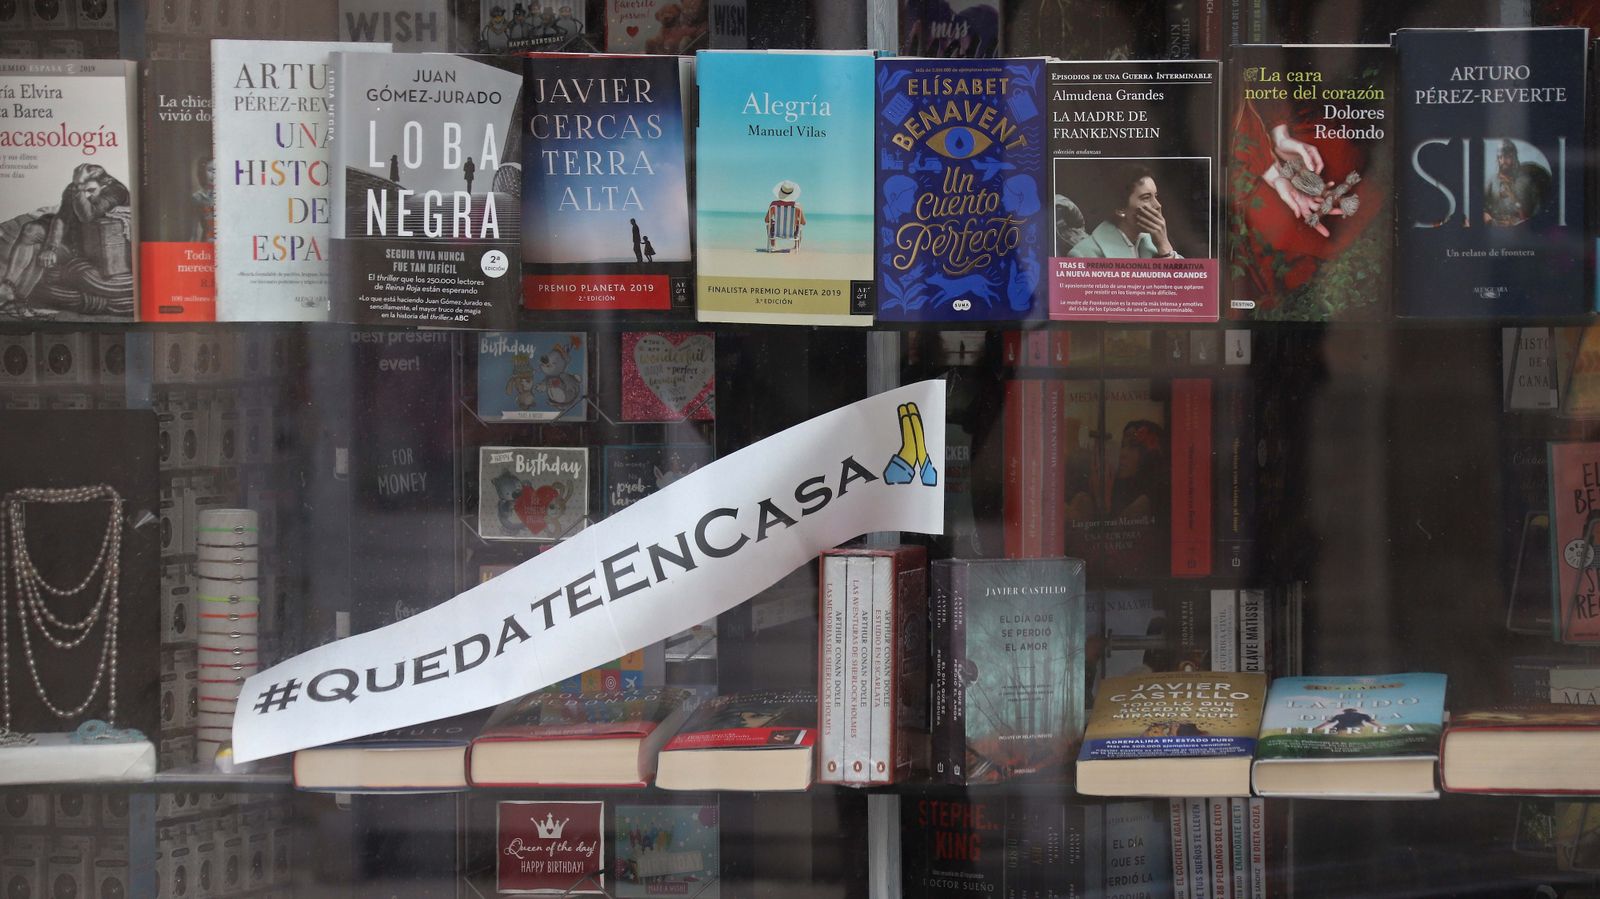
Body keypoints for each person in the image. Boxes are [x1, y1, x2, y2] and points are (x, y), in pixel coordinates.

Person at [0, 163, 131, 319]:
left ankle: (18, 302)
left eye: (90, 191)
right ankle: (7, 286)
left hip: (100, 258)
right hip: (74, 242)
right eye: (82, 189)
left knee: (42, 255)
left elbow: (87, 215)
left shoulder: (116, 191)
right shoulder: (75, 188)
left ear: (105, 183)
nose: (86, 195)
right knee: (31, 230)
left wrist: (79, 188)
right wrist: (51, 248)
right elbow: (61, 218)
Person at [1067, 164, 1179, 259]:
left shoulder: (1156, 243)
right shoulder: (1083, 255)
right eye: (1146, 198)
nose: (1158, 205)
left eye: (1155, 196)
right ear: (1121, 208)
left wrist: (1164, 247)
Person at [1484, 139, 1544, 227]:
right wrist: (1489, 219)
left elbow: (1536, 210)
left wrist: (1513, 197)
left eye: (1507, 157)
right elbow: (1480, 207)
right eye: (1500, 157)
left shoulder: (1527, 181)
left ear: (1514, 158)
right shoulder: (1490, 182)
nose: (1503, 161)